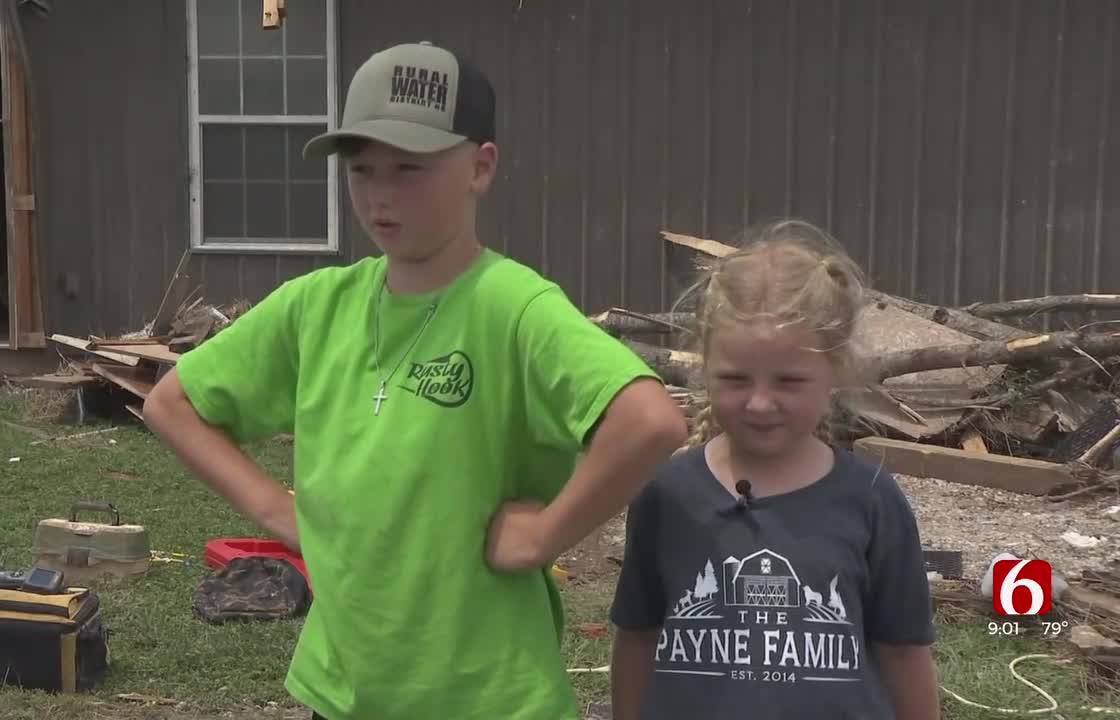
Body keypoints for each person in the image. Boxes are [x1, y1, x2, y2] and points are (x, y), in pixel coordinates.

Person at [142, 41, 690, 720]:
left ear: (480, 167)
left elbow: (650, 421)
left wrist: (546, 534)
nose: (380, 194)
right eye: (363, 169)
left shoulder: (512, 306)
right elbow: (173, 404)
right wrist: (277, 513)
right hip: (346, 690)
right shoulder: (319, 306)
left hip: (487, 696)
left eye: (410, 168)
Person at [608, 220, 941, 720]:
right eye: (736, 379)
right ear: (703, 368)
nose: (761, 403)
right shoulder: (666, 495)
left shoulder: (871, 499)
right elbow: (639, 637)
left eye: (788, 380)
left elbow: (902, 651)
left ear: (835, 371)